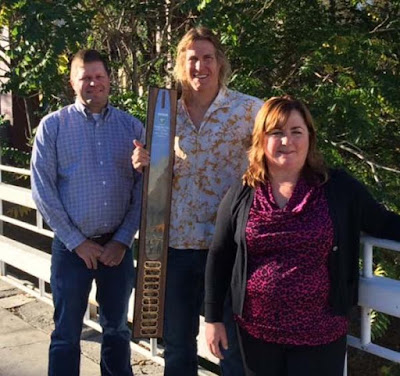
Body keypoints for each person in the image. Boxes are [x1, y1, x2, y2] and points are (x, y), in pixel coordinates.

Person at [204, 96, 400, 376]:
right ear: (261, 139)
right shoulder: (244, 192)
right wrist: (213, 319)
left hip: (320, 333)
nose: (287, 141)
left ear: (310, 136)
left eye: (296, 131)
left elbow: (384, 223)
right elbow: (220, 254)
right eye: (276, 132)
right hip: (257, 334)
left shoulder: (338, 188)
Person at [132, 27, 263, 376]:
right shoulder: (165, 113)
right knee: (176, 347)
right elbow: (157, 173)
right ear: (181, 64)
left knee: (231, 350)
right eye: (192, 59)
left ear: (220, 63)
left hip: (227, 251)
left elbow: (277, 163)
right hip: (174, 249)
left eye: (207, 58)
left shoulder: (250, 110)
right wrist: (143, 164)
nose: (200, 66)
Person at [31, 49, 144, 376]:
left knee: (117, 330)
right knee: (66, 333)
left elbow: (143, 189)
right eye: (85, 77)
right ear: (72, 82)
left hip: (117, 250)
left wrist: (122, 240)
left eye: (99, 76)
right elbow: (42, 189)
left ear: (109, 80)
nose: (93, 83)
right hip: (70, 250)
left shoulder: (132, 128)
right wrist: (77, 241)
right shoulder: (52, 127)